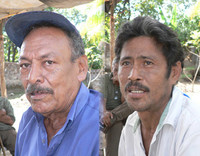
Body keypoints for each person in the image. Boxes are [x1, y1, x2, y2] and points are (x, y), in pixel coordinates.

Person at [5, 11, 101, 156]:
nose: (32, 78)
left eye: (48, 62)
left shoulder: (101, 124)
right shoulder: (27, 120)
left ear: (81, 68)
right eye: (25, 65)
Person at [115, 16, 200, 156]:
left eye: (147, 63)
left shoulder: (193, 126)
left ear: (174, 72)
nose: (133, 75)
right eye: (126, 63)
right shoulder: (130, 126)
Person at [100, 58, 133, 156]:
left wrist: (122, 84)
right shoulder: (105, 79)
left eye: (120, 71)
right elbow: (102, 101)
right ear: (112, 68)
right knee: (115, 125)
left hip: (125, 114)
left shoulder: (129, 80)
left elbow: (125, 101)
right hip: (108, 111)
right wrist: (104, 113)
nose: (116, 73)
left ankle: (107, 121)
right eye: (115, 70)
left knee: (133, 103)